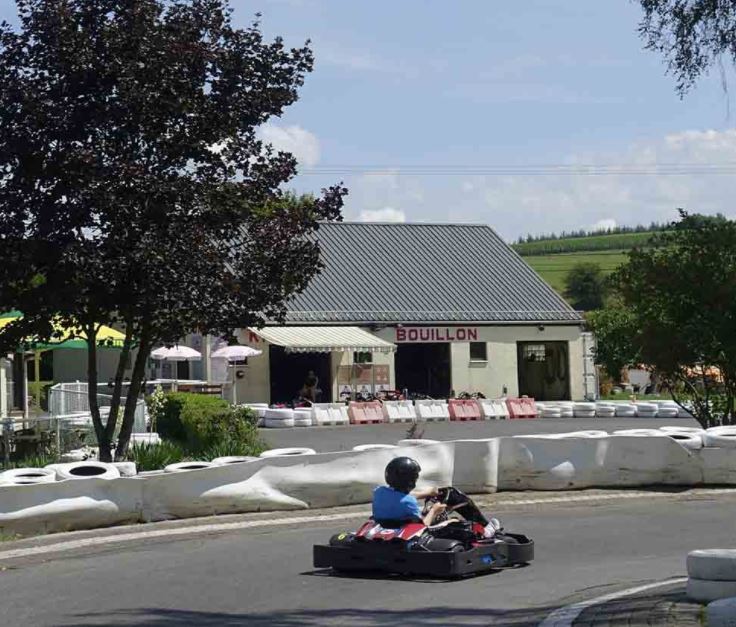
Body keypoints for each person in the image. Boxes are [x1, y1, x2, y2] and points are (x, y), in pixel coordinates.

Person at [372, 457, 447, 527]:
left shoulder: (379, 492)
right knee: (452, 521)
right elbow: (422, 526)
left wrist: (428, 493)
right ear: (410, 480)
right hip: (404, 532)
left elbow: (399, 497)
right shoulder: (409, 503)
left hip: (384, 527)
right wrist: (434, 510)